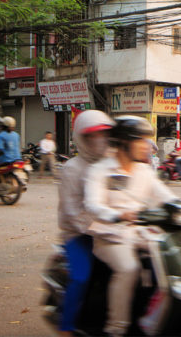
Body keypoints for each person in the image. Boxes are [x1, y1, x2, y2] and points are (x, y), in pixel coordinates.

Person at [84, 116, 181, 337]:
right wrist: (117, 214)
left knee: (173, 261)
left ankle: (158, 319)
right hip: (109, 235)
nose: (147, 146)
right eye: (140, 140)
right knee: (128, 268)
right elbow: (92, 205)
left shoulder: (144, 171)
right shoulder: (100, 170)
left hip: (140, 232)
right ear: (123, 143)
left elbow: (166, 197)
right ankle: (116, 328)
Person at [57, 110, 115, 337]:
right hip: (79, 234)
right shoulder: (72, 168)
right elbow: (73, 213)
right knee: (82, 276)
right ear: (82, 138)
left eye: (103, 134)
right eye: (92, 136)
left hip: (113, 230)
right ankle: (67, 326)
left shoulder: (112, 163)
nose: (99, 140)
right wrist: (100, 229)